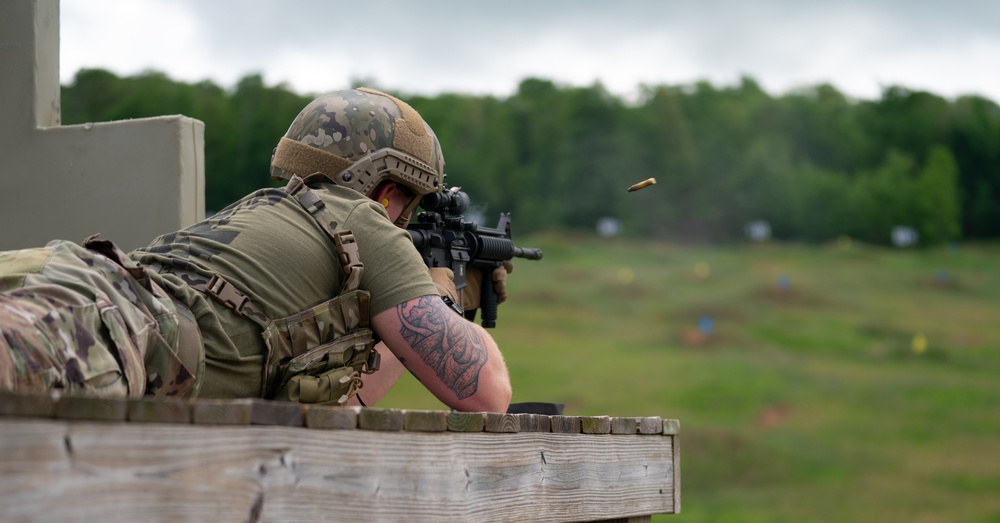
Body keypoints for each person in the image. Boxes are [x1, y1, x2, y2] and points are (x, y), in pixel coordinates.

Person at [0, 88, 512, 413]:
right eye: (407, 199)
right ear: (382, 189)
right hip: (115, 327)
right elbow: (484, 392)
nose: (404, 218)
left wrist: (416, 302)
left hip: (66, 282)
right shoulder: (363, 219)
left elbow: (340, 404)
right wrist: (443, 301)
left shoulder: (266, 213)